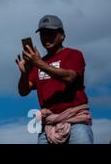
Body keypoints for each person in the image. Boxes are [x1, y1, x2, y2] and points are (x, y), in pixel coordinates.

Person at [16, 15, 93, 144]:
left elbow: (70, 77)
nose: (46, 37)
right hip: (48, 127)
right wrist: (24, 73)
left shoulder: (73, 54)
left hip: (76, 122)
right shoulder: (38, 63)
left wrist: (40, 64)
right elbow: (23, 91)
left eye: (51, 33)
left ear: (62, 35)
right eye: (43, 34)